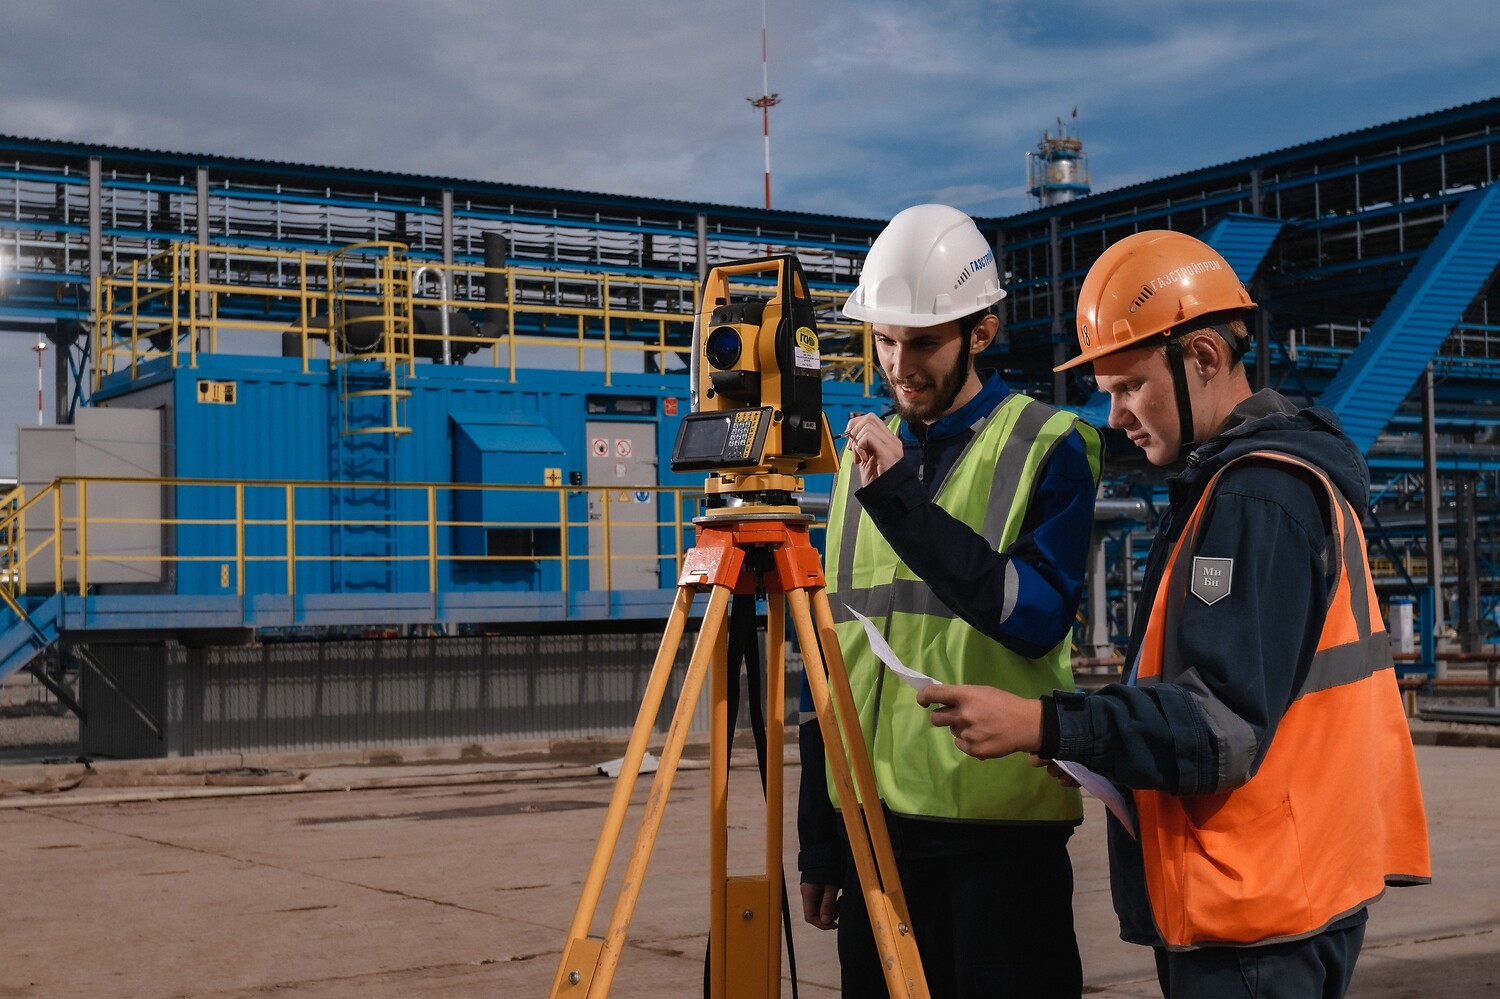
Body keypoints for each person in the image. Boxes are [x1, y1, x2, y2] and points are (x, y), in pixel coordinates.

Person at [918, 230, 1432, 998]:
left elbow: (1217, 723)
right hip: (1276, 892)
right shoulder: (1242, 488)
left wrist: (1045, 723)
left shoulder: (1258, 499)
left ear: (1201, 357)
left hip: (1256, 915)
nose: (1116, 413)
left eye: (1129, 386)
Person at [797, 203, 1102, 998]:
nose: (900, 363)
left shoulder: (1049, 445)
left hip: (997, 837)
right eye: (886, 338)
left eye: (923, 340)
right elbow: (835, 657)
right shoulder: (855, 466)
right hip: (874, 836)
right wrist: (822, 835)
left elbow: (1034, 619)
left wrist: (901, 499)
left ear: (982, 332)